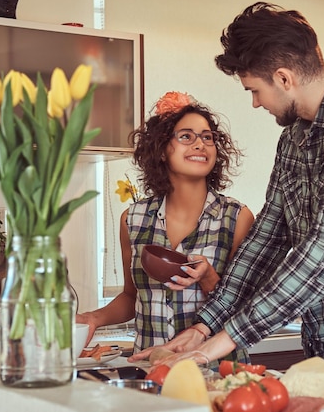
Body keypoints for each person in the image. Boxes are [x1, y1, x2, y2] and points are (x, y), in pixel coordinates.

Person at [129, 3, 324, 406]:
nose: (256, 103)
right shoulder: (294, 138)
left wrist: (224, 340)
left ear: (284, 78)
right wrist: (205, 327)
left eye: (255, 90)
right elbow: (265, 242)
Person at [77, 91, 255, 369]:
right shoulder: (132, 219)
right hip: (151, 369)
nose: (200, 144)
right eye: (186, 136)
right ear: (161, 149)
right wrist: (93, 318)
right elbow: (131, 297)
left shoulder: (236, 218)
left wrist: (208, 278)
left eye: (207, 137)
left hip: (218, 372)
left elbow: (247, 308)